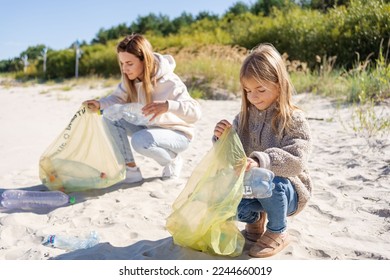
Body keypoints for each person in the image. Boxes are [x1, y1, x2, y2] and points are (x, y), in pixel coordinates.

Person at [213, 43, 312, 258]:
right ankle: (256, 220)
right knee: (224, 196)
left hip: (288, 190)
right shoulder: (243, 119)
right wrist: (222, 139)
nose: (253, 97)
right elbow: (232, 158)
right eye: (248, 91)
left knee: (271, 181)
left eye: (260, 89)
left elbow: (297, 160)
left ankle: (278, 231)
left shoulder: (293, 119)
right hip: (253, 187)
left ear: (279, 85)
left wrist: (261, 161)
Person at [84, 34, 202, 183]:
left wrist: (168, 106)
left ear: (144, 60)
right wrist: (99, 104)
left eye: (129, 63)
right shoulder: (130, 78)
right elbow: (117, 99)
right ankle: (131, 170)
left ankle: (172, 160)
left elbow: (196, 113)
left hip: (178, 136)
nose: (125, 69)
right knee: (109, 115)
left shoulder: (170, 81)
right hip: (150, 127)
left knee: (140, 141)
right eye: (122, 63)